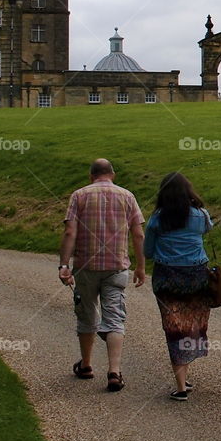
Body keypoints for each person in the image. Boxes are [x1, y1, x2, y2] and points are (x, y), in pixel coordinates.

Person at [59, 158, 145, 392]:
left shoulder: (79, 196)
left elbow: (70, 232)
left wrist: (63, 265)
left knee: (86, 314)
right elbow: (138, 234)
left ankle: (86, 365)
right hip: (116, 265)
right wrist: (140, 266)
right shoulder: (127, 196)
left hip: (86, 266)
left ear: (91, 176)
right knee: (115, 317)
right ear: (113, 174)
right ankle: (114, 371)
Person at [144, 172, 214, 401]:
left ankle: (181, 385)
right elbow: (208, 228)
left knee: (173, 327)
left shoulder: (157, 218)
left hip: (167, 276)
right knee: (192, 322)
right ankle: (184, 372)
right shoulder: (200, 215)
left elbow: (147, 252)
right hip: (196, 274)